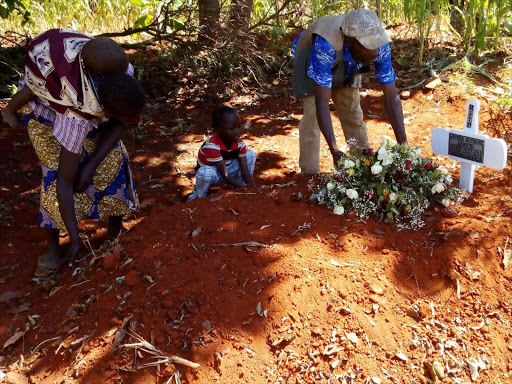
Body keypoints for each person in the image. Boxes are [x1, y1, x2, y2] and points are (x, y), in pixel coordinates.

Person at [0, 29, 146, 278]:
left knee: (114, 159)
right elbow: (65, 185)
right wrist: (76, 240)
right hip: (49, 103)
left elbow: (119, 124)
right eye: (129, 116)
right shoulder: (75, 113)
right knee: (55, 174)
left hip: (68, 79)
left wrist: (90, 167)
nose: (137, 121)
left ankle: (115, 230)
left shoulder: (121, 75)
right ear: (105, 110)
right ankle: (53, 248)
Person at [292, 8, 408, 174]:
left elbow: (391, 96)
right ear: (350, 41)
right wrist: (335, 151)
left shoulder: (379, 48)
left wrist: (403, 144)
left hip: (350, 62)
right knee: (312, 115)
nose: (374, 51)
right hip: (311, 57)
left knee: (352, 110)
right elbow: (322, 102)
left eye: (375, 43)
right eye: (368, 45)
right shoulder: (325, 44)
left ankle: (363, 164)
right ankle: (310, 174)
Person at [188, 106, 256, 199]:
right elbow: (225, 174)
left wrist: (253, 189)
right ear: (217, 129)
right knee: (205, 172)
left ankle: (241, 189)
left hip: (228, 171)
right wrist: (244, 189)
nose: (238, 131)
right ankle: (199, 196)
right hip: (215, 175)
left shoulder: (240, 143)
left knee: (250, 155)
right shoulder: (212, 146)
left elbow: (245, 172)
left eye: (239, 126)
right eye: (232, 129)